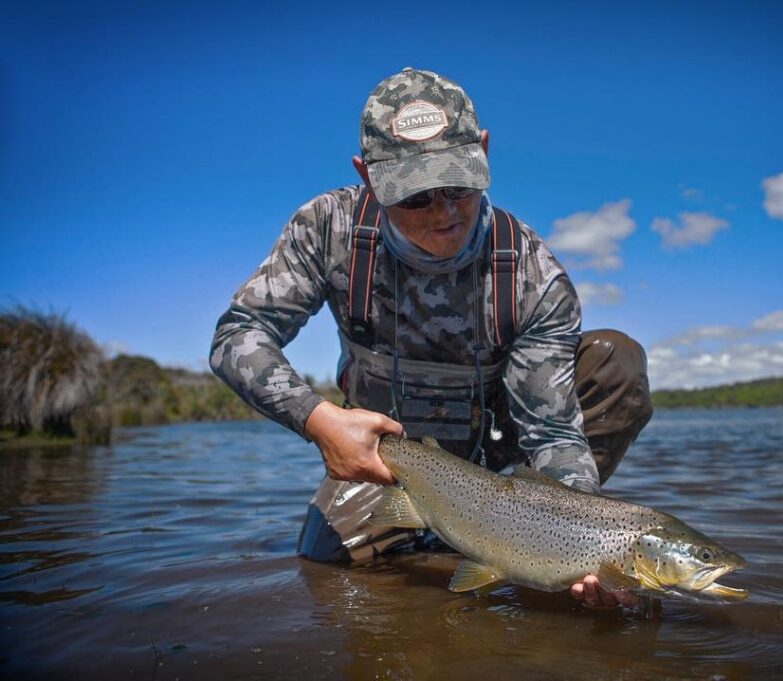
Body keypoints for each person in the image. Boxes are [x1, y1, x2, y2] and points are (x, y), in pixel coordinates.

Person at [210, 68, 652, 608]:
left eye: (458, 185)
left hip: (502, 468)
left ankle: (530, 554)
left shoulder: (535, 274)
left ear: (484, 151)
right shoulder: (328, 229)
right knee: (325, 568)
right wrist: (318, 420)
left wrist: (584, 548)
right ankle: (452, 540)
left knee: (616, 360)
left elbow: (552, 431)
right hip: (384, 464)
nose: (443, 213)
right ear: (368, 177)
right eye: (415, 197)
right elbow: (239, 335)